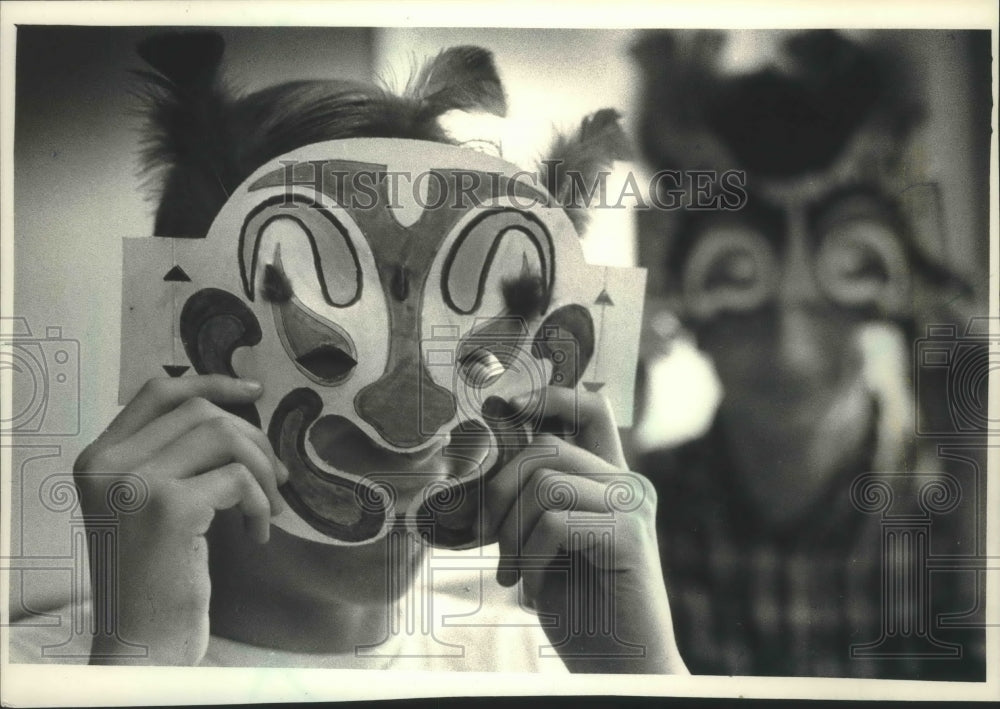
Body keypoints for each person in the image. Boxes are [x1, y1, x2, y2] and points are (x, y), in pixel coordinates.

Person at [60, 31, 687, 673]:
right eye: (331, 353)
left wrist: (641, 673)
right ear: (204, 346)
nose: (414, 436)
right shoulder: (49, 674)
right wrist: (139, 671)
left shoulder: (555, 665)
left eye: (474, 362)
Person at [630, 29, 987, 679]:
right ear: (687, 305)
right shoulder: (640, 519)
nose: (790, 349)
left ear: (887, 294)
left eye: (835, 286)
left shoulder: (955, 518)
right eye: (739, 279)